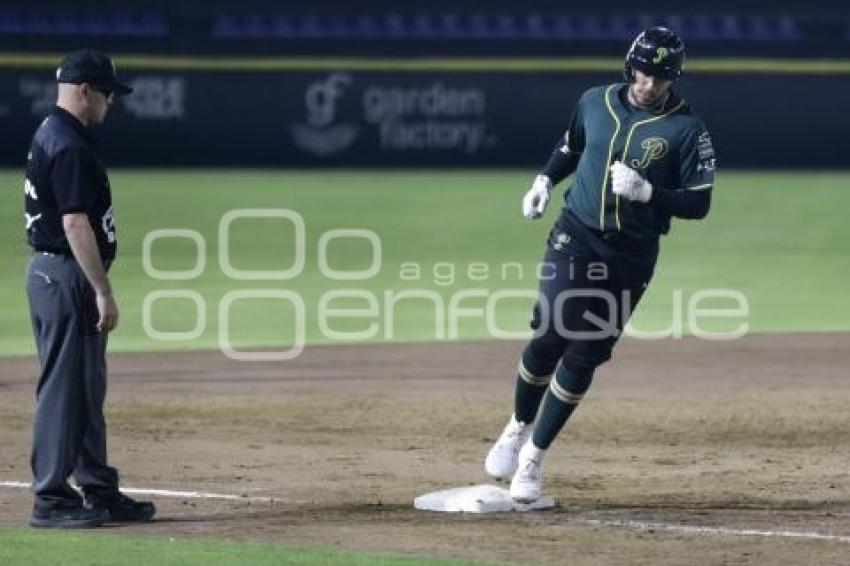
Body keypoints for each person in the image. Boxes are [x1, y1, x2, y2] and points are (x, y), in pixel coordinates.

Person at [484, 27, 716, 502]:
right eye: (644, 71)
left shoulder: (686, 129)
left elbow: (699, 203)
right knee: (551, 331)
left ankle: (534, 456)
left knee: (585, 354)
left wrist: (649, 192)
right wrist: (545, 181)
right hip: (578, 233)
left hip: (632, 253)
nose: (649, 83)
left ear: (673, 79)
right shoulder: (595, 101)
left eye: (660, 77)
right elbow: (571, 146)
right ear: (630, 66)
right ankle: (516, 426)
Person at [23, 49, 156, 528]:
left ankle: (97, 488)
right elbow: (75, 223)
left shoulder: (54, 133)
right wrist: (102, 289)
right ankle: (51, 500)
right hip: (65, 277)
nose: (110, 104)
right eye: (106, 94)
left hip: (57, 273)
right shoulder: (69, 144)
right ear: (84, 91)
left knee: (85, 388)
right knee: (64, 391)